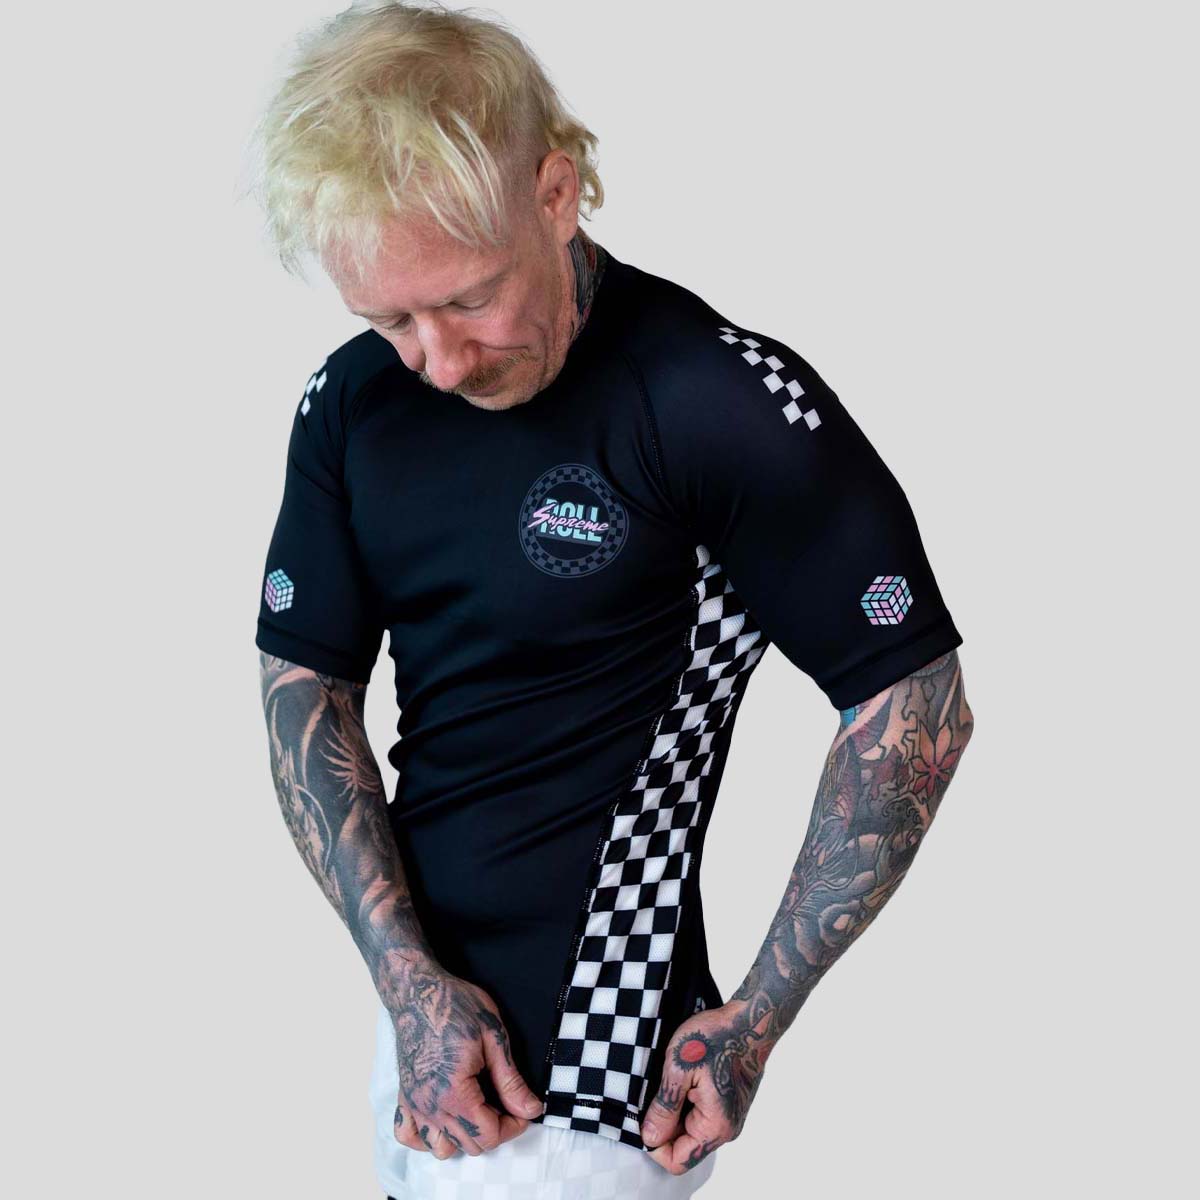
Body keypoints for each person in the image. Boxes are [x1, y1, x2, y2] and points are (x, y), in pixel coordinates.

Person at [248, 4, 975, 1197]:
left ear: (556, 193)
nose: (437, 360)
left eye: (468, 300)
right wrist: (407, 983)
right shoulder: (354, 400)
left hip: (591, 1079)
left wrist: (757, 1018)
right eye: (391, 318)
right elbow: (304, 688)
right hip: (420, 1045)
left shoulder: (711, 401)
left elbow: (914, 702)